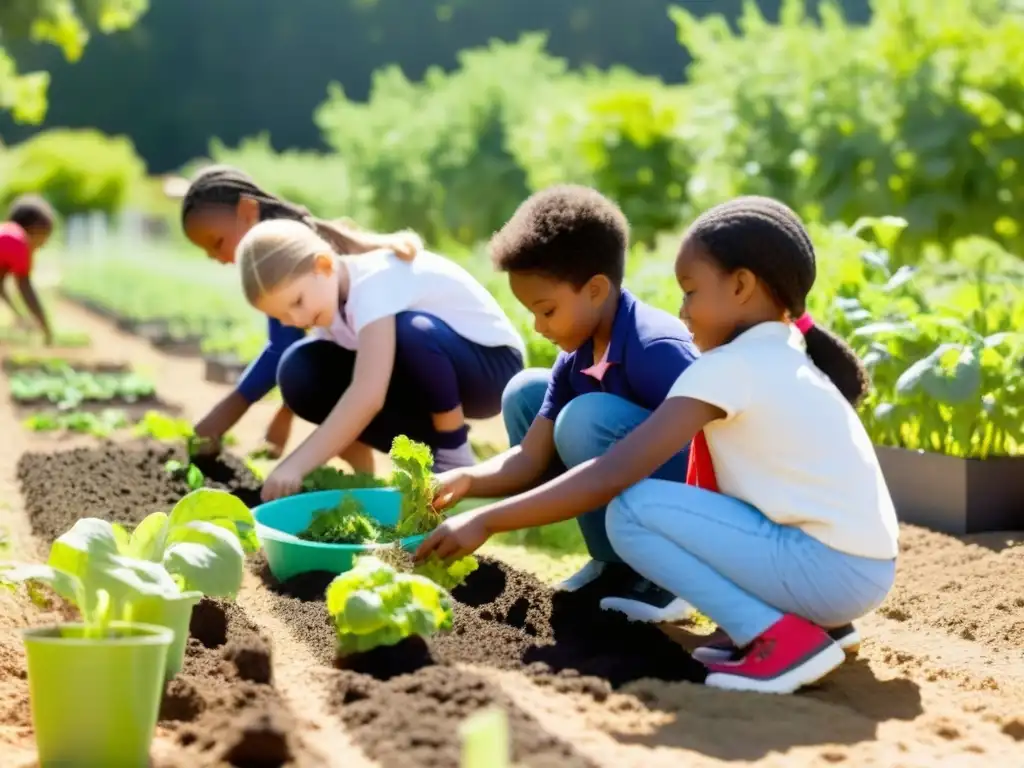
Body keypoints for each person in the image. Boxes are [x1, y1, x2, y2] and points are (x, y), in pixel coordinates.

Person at [415, 196, 899, 694]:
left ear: (741, 286)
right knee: (632, 494)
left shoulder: (725, 366)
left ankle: (776, 636)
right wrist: (473, 482)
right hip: (858, 570)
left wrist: (487, 518)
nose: (682, 310)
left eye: (690, 292)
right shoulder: (783, 355)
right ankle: (809, 621)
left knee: (631, 509)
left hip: (827, 570)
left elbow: (612, 472)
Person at [429, 185, 700, 623]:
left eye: (547, 310)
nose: (538, 326)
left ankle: (667, 575)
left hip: (697, 505)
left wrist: (490, 521)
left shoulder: (656, 347)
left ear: (595, 289)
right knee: (525, 394)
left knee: (583, 418)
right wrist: (465, 480)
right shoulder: (575, 359)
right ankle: (614, 562)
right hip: (631, 478)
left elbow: (712, 453)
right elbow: (528, 459)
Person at [235, 218, 525, 501]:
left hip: (492, 370)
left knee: (408, 331)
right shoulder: (327, 306)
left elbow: (368, 394)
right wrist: (285, 415)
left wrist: (295, 464)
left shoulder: (373, 282)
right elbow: (333, 397)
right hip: (428, 379)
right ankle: (368, 480)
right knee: (301, 371)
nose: (296, 320)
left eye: (297, 302)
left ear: (323, 266)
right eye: (282, 316)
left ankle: (455, 455)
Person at [180, 165, 417, 463]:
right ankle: (363, 474)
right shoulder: (283, 258)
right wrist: (283, 415)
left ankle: (371, 471)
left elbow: (286, 349)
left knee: (313, 380)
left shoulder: (289, 254)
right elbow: (302, 342)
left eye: (217, 243)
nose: (217, 258)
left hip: (406, 369)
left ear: (247, 210)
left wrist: (223, 415)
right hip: (377, 367)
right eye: (208, 252)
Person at [0, 195, 56, 345]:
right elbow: (25, 287)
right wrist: (46, 326)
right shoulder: (18, 240)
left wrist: (18, 314)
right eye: (45, 236)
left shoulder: (6, 235)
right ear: (37, 228)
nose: (44, 244)